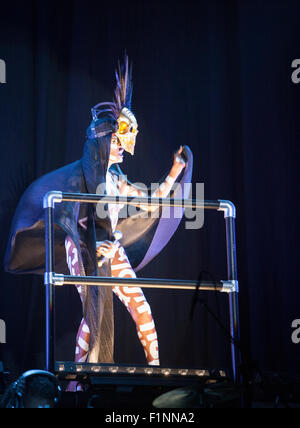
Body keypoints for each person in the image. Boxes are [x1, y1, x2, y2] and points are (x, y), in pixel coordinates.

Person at [4, 56, 193, 382]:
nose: (121, 150)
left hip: (111, 249)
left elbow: (152, 201)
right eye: (117, 142)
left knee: (141, 309)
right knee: (94, 315)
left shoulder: (118, 178)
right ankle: (79, 381)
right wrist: (87, 244)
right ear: (106, 141)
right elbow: (67, 215)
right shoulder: (79, 176)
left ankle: (156, 376)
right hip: (85, 248)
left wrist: (176, 171)